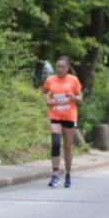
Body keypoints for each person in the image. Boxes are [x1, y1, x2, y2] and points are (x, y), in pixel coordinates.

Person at [41, 56, 83, 188]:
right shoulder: (50, 80)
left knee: (68, 147)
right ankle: (54, 175)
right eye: (58, 66)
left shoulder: (73, 80)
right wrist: (47, 100)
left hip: (69, 116)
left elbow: (80, 98)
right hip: (55, 115)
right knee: (55, 142)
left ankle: (68, 174)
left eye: (62, 67)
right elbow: (44, 92)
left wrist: (73, 97)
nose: (60, 69)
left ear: (67, 68)